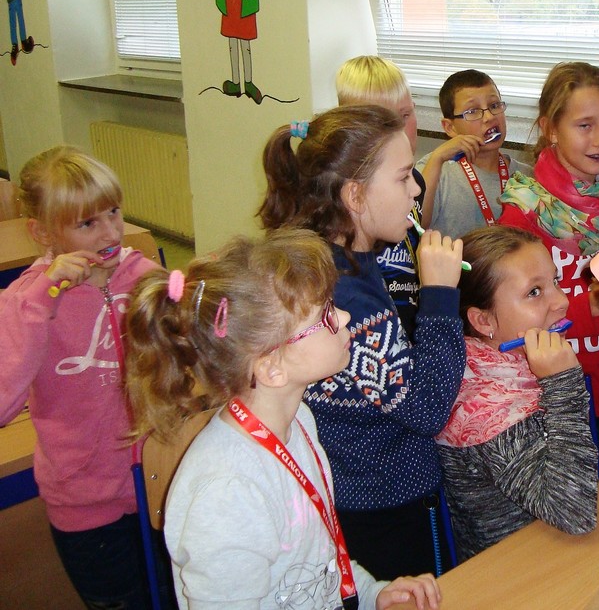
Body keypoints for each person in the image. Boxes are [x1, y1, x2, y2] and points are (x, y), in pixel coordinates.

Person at [125, 228, 441, 610]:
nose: (344, 316)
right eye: (325, 316)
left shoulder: (299, 420)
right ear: (271, 367)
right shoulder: (227, 494)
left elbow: (317, 560)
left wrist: (373, 593)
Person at [258, 106, 467, 579]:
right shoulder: (349, 296)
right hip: (384, 503)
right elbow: (427, 410)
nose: (416, 190)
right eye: (403, 178)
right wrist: (439, 296)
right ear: (354, 194)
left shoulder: (333, 259)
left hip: (355, 490)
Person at [0, 146, 167, 609]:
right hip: (84, 503)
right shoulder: (24, 303)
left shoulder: (145, 277)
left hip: (160, 482)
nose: (111, 232)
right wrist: (43, 299)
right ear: (41, 232)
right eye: (87, 223)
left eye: (113, 212)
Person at [499, 61, 599, 475]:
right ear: (550, 128)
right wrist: (594, 304)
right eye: (584, 125)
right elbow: (512, 321)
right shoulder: (523, 211)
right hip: (557, 392)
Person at [435, 226, 599, 560]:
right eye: (534, 292)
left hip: (558, 551)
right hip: (523, 569)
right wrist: (564, 385)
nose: (562, 301)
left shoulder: (509, 367)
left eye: (554, 282)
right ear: (483, 322)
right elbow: (575, 513)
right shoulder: (484, 410)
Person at [336, 55, 424, 336]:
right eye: (386, 122)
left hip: (409, 322)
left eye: (406, 115)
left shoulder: (414, 183)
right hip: (378, 330)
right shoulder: (348, 283)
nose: (401, 131)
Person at [417, 69, 529, 239]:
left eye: (494, 106)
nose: (489, 117)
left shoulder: (528, 176)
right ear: (450, 127)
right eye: (472, 111)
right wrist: (437, 157)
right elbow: (415, 225)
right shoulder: (433, 168)